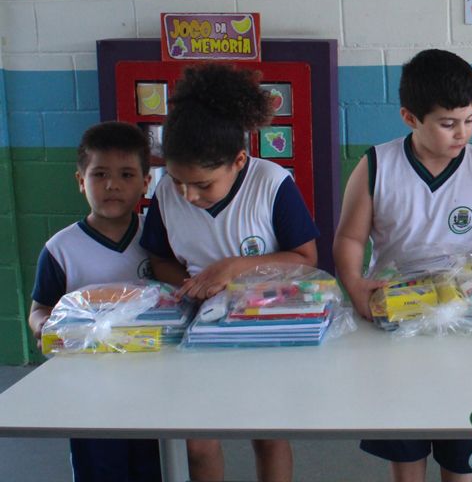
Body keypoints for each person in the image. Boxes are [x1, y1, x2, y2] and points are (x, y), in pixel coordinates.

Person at [334, 49, 472, 482]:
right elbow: (349, 238)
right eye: (448, 123)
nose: (462, 133)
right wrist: (355, 286)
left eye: (470, 120)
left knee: (461, 451)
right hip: (398, 322)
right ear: (410, 118)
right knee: (406, 448)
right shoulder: (376, 165)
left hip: (465, 325)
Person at [141, 63, 319, 482]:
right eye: (179, 181)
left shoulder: (271, 183)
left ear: (239, 160)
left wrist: (234, 269)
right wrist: (190, 287)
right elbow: (161, 259)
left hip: (263, 327)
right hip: (197, 332)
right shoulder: (167, 193)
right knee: (199, 443)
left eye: (203, 185)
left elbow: (305, 260)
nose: (188, 195)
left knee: (268, 435)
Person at [28, 121, 160, 482]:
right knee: (100, 468)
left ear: (146, 183)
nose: (112, 185)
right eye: (99, 174)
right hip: (87, 388)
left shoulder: (158, 238)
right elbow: (40, 309)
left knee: (153, 466)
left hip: (154, 382)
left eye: (126, 174)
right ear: (80, 181)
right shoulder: (60, 249)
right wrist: (43, 327)